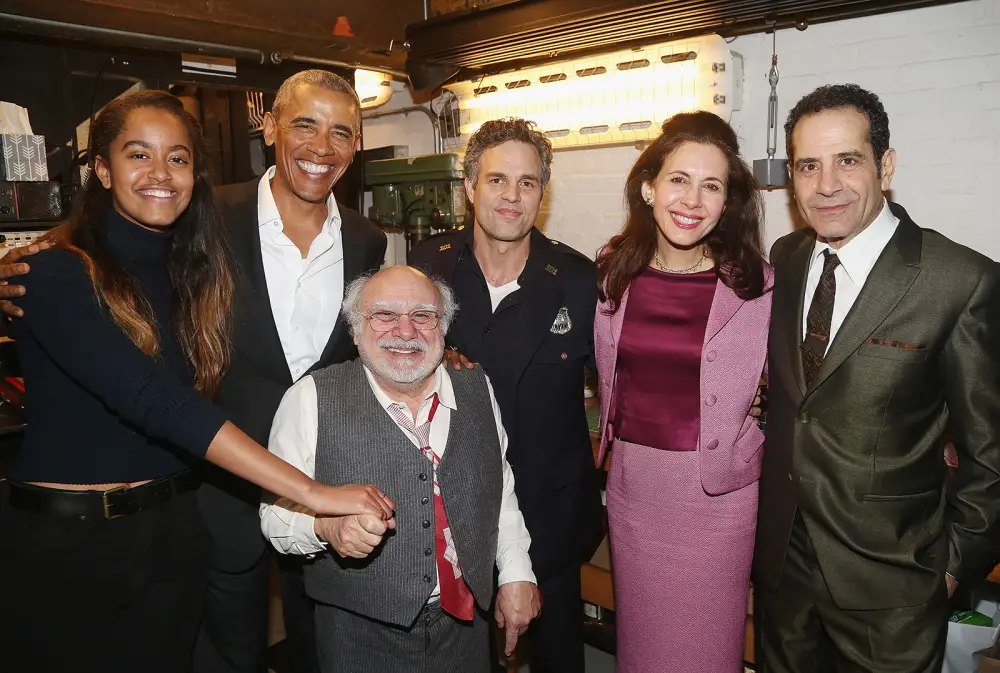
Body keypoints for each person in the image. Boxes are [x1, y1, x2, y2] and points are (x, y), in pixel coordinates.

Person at [0, 69, 387, 673]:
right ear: (101, 169)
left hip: (177, 522)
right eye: (138, 155)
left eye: (177, 158)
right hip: (109, 531)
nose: (161, 174)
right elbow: (156, 395)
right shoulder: (67, 269)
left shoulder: (357, 241)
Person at [754, 83, 1000, 673]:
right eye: (808, 166)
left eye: (847, 160)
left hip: (892, 591)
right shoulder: (785, 258)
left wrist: (945, 573)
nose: (826, 184)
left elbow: (989, 457)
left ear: (885, 166)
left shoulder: (958, 281)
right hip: (783, 578)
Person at [260, 265, 540, 673]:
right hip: (358, 636)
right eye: (385, 315)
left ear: (443, 328)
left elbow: (499, 490)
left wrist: (516, 573)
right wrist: (325, 527)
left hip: (465, 629)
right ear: (356, 330)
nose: (405, 332)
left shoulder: (477, 388)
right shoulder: (308, 399)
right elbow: (273, 515)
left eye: (422, 316)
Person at [408, 117, 602, 673]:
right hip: (453, 499)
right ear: (470, 187)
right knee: (461, 649)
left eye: (527, 182)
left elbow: (619, 385)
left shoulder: (578, 279)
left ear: (543, 192)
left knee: (558, 651)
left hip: (551, 508)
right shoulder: (430, 264)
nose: (511, 197)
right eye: (497, 181)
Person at [593, 111, 771, 672]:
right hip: (635, 489)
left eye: (711, 186)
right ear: (649, 186)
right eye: (678, 180)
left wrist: (756, 421)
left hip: (718, 500)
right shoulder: (611, 273)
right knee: (643, 649)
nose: (692, 199)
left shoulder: (757, 284)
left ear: (726, 203)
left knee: (708, 651)